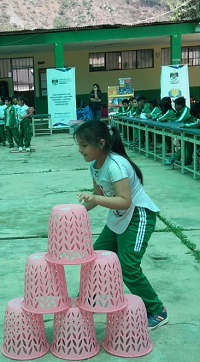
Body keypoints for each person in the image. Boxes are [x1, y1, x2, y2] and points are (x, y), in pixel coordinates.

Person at [75, 120, 167, 330]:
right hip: (118, 217)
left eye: (84, 146)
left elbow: (124, 200)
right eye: (79, 146)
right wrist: (74, 211)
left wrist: (96, 199)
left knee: (129, 267)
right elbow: (98, 196)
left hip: (138, 215)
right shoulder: (95, 166)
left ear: (100, 143)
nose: (81, 150)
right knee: (94, 258)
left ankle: (157, 310)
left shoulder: (116, 166)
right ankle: (93, 295)